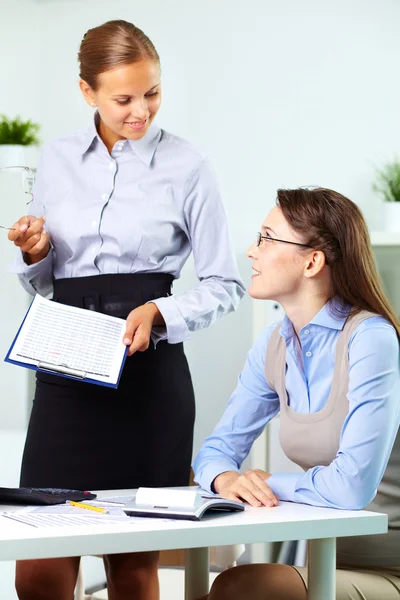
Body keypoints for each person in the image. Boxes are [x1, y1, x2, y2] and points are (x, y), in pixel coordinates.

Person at [8, 19, 245, 600]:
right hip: (66, 365)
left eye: (152, 92)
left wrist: (161, 314)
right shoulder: (58, 159)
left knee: (133, 564)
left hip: (148, 376)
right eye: (123, 98)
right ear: (86, 91)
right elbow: (43, 282)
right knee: (38, 564)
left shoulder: (190, 166)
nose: (141, 110)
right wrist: (34, 252)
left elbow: (225, 281)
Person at [193, 187, 400, 600]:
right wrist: (225, 478)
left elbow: (351, 488)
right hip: (323, 560)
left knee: (240, 587)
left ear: (312, 261)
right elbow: (215, 450)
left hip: (388, 567)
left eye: (267, 238)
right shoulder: (275, 343)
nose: (252, 251)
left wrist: (269, 482)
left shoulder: (371, 340)